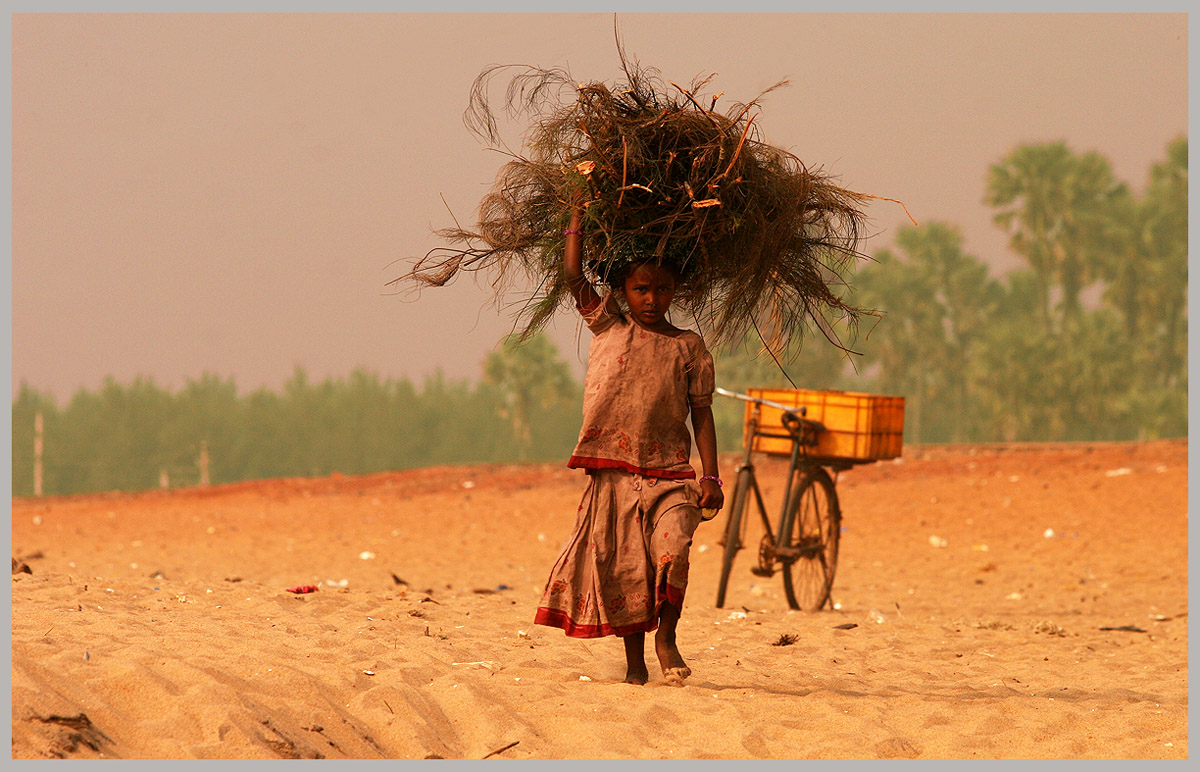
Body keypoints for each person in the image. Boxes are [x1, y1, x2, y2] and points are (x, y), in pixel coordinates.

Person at [533, 201, 724, 686]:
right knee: (626, 570)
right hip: (614, 473)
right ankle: (635, 660)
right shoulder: (609, 325)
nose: (652, 299)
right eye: (641, 289)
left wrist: (711, 477)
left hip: (671, 474)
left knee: (672, 549)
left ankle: (668, 638)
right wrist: (576, 211)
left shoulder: (689, 347)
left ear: (675, 291)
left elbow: (702, 413)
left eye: (662, 289)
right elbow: (572, 273)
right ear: (622, 290)